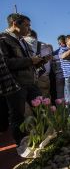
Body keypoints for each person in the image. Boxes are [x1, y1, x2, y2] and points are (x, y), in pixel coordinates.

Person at [0, 13, 43, 145]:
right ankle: (23, 145)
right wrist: (30, 60)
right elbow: (6, 63)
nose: (29, 29)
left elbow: (26, 61)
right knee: (17, 116)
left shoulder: (21, 40)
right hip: (15, 84)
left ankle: (46, 136)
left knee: (41, 110)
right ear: (14, 24)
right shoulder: (3, 39)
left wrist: (38, 61)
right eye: (26, 25)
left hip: (31, 81)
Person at [24, 30, 53, 97]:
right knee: (45, 99)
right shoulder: (45, 46)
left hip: (27, 77)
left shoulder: (22, 43)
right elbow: (50, 61)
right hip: (43, 76)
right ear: (36, 36)